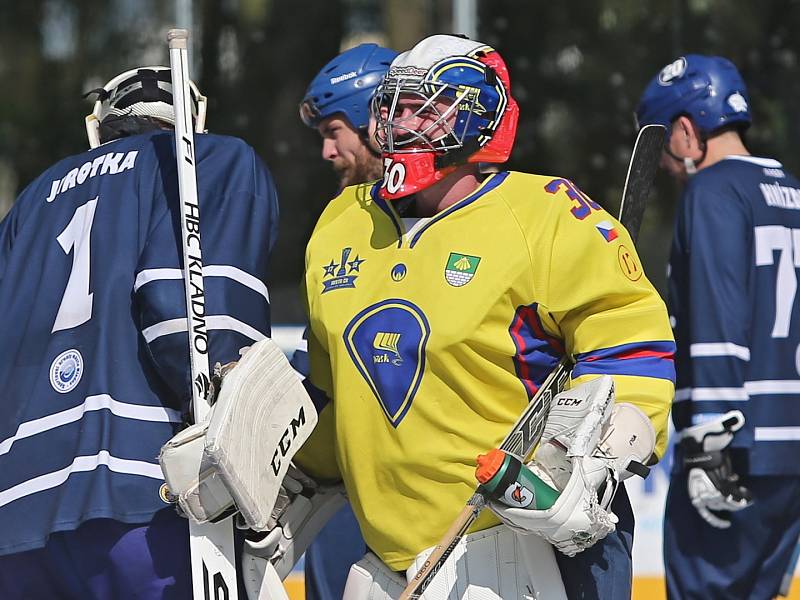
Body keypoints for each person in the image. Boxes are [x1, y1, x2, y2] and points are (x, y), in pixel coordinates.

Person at [295, 34, 676, 599]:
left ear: (480, 117)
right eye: (394, 106)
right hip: (388, 559)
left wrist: (594, 458)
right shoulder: (340, 224)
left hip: (515, 545)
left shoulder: (545, 215)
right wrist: (282, 477)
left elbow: (632, 343)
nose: (403, 122)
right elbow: (333, 395)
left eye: (424, 106)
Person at [0, 66, 279, 599]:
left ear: (99, 126)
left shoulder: (29, 203)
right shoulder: (208, 161)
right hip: (145, 498)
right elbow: (196, 326)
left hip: (15, 516)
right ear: (192, 119)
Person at [637, 55, 800, 599]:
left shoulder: (712, 192)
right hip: (791, 446)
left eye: (659, 145)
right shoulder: (793, 193)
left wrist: (708, 440)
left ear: (686, 131)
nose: (662, 163)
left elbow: (716, 315)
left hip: (735, 447)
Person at [296, 42, 397, 600]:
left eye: (336, 131)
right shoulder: (336, 225)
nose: (328, 152)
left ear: (376, 121)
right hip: (342, 490)